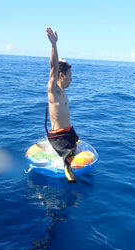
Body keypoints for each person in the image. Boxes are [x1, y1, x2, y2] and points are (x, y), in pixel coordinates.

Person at [46, 27, 78, 182]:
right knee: (69, 156)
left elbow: (58, 64)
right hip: (59, 135)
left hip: (68, 131)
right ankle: (66, 166)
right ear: (61, 75)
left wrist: (62, 61)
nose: (71, 79)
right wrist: (54, 45)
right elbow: (54, 67)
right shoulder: (54, 90)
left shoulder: (63, 91)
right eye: (70, 76)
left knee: (75, 143)